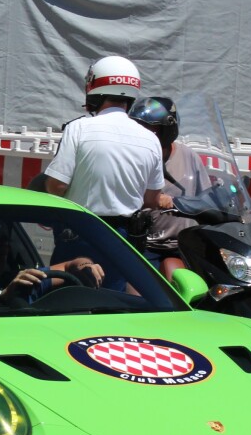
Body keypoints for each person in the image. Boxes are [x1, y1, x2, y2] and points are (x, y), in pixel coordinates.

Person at [42, 56, 173, 280]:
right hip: (124, 236)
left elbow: (57, 184)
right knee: (114, 302)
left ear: (94, 88)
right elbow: (152, 199)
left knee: (70, 299)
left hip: (80, 231)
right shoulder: (150, 138)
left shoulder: (78, 128)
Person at [128, 96, 213, 279]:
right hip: (147, 243)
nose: (144, 133)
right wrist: (154, 199)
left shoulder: (188, 156)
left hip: (185, 244)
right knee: (140, 286)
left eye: (151, 129)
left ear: (167, 129)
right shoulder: (133, 156)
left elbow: (205, 196)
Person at [0, 220, 104, 310]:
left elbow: (70, 267)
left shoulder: (22, 282)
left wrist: (85, 266)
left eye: (2, 248)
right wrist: (5, 297)